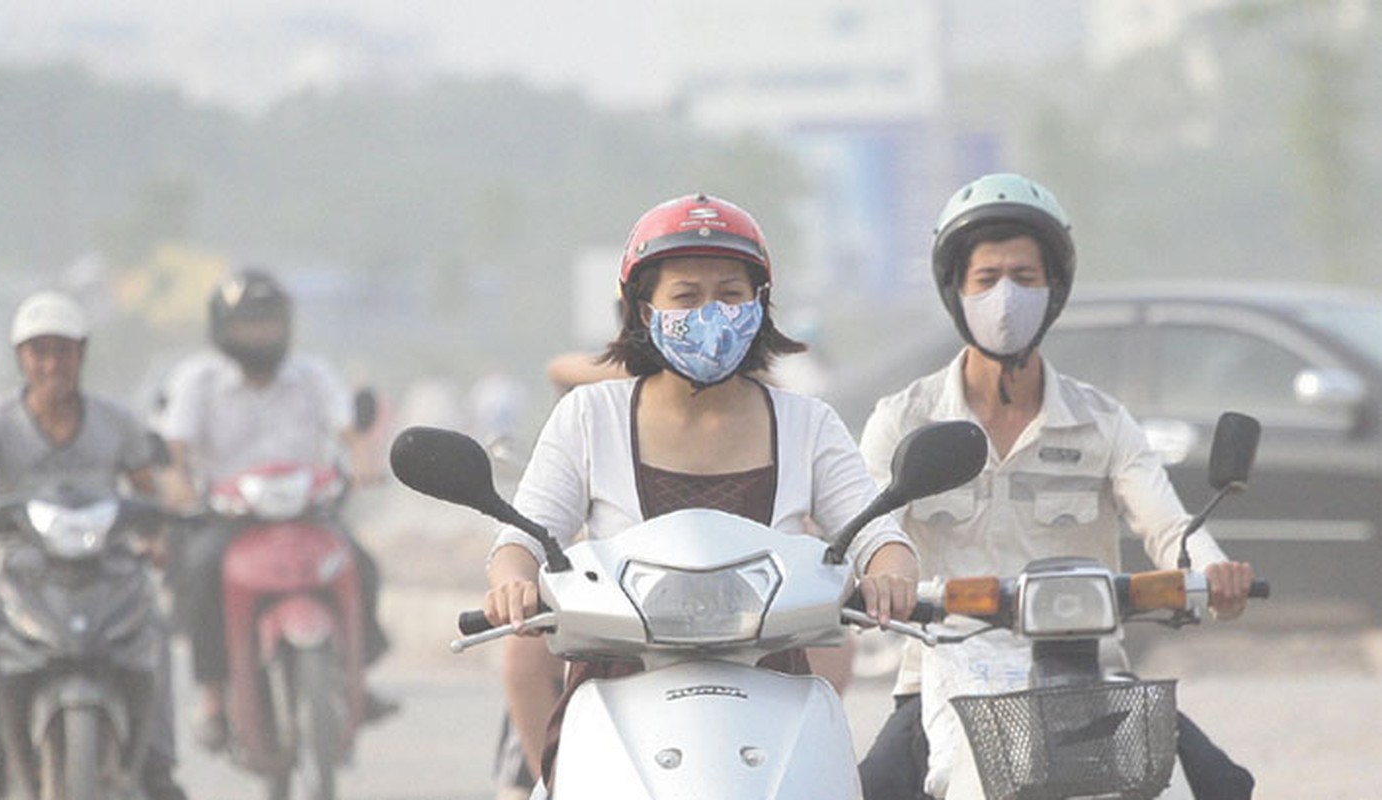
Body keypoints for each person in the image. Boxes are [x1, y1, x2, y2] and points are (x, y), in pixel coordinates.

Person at [483, 192, 922, 790]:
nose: (712, 313)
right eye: (686, 297)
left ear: (760, 305)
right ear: (644, 310)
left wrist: (890, 573)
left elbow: (878, 533)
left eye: (731, 295)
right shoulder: (590, 416)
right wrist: (513, 581)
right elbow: (525, 537)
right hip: (617, 692)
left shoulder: (808, 423)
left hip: (776, 694)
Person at [855, 173, 1256, 799]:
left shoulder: (1102, 422)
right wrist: (881, 582)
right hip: (947, 684)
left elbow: (1170, 528)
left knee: (1223, 786)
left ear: (1055, 290)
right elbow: (867, 528)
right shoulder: (905, 420)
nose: (1006, 294)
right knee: (869, 788)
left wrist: (1214, 571)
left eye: (1025, 276)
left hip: (1091, 679)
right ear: (956, 290)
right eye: (987, 279)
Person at [0, 291, 186, 800]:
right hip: (28, 572)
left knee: (154, 630)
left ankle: (158, 768)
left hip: (110, 570)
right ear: (21, 359)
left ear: (81, 355)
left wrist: (157, 537)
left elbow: (146, 491)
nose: (51, 364)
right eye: (38, 352)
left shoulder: (116, 420)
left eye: (63, 351)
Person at [159, 267, 395, 750]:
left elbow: (350, 433)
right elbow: (175, 450)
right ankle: (212, 699)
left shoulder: (312, 375)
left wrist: (364, 461)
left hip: (307, 510)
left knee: (362, 565)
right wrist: (179, 486)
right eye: (248, 323)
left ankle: (356, 679)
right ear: (222, 327)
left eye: (268, 322)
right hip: (228, 516)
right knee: (201, 573)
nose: (259, 333)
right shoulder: (197, 380)